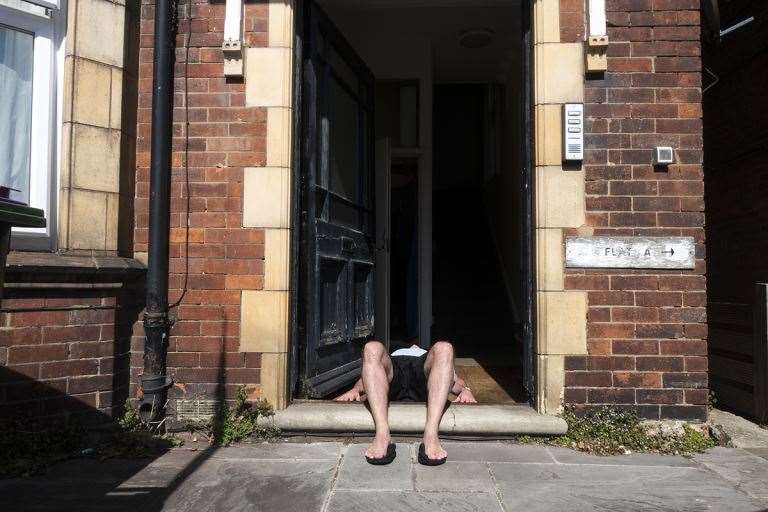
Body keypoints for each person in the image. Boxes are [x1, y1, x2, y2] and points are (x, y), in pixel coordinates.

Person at [334, 341, 476, 466]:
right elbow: (370, 373)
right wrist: (356, 389)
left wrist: (465, 390)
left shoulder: (429, 355)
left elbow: (453, 379)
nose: (414, 345)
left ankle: (431, 435)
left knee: (445, 348)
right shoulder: (394, 353)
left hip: (424, 375)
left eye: (416, 345)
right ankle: (382, 434)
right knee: (372, 348)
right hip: (394, 373)